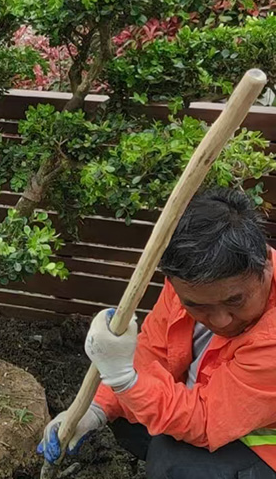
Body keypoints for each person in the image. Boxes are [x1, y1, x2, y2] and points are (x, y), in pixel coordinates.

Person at [39, 187, 276, 478]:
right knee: (127, 411)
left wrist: (125, 380)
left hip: (265, 445)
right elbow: (151, 355)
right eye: (197, 305)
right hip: (213, 411)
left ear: (264, 264)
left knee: (175, 460)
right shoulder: (186, 288)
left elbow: (204, 419)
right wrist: (95, 410)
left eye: (234, 300)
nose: (221, 320)